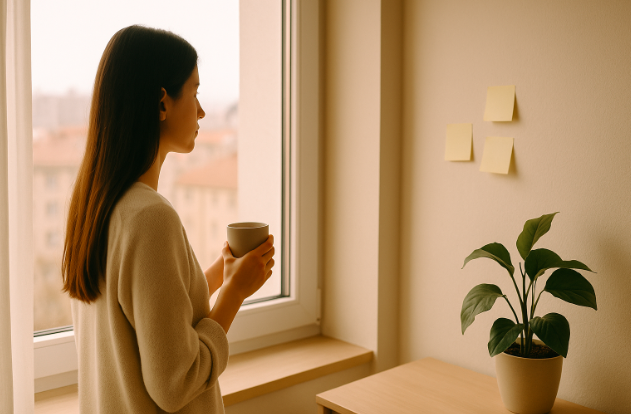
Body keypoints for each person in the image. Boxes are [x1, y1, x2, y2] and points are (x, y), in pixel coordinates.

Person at [61, 25, 275, 414]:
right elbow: (176, 382)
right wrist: (233, 294)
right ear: (162, 103)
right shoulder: (151, 218)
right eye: (194, 92)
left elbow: (149, 312)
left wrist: (219, 274)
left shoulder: (96, 207)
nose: (202, 110)